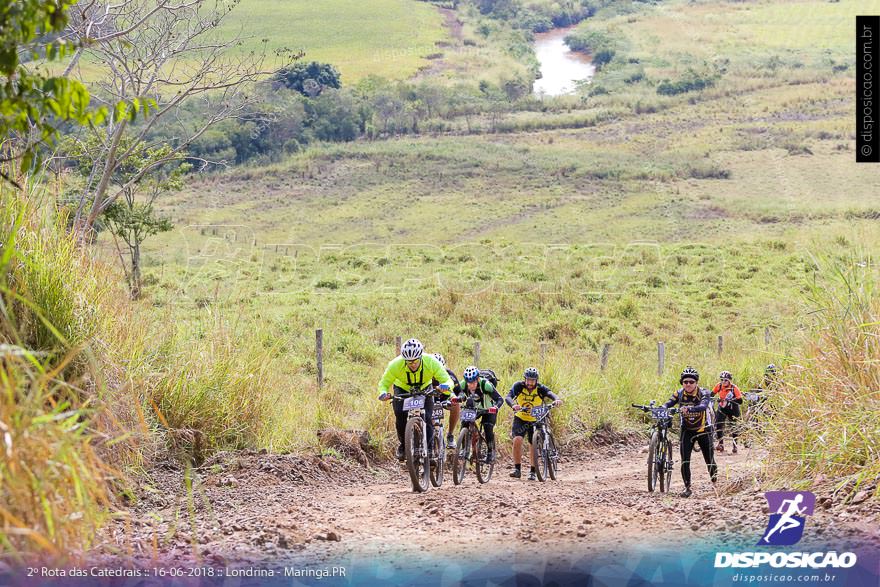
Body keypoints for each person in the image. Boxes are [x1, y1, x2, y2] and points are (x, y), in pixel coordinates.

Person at [377, 338, 454, 461]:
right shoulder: (395, 365)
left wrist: (446, 386)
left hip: (424, 387)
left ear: (421, 357)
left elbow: (447, 380)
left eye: (415, 361)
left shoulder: (431, 361)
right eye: (409, 362)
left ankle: (429, 449)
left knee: (428, 417)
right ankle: (403, 445)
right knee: (400, 416)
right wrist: (383, 393)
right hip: (402, 388)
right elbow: (383, 383)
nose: (412, 364)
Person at [663, 366, 717, 498]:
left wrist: (689, 409)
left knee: (709, 459)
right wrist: (663, 408)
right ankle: (687, 487)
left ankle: (715, 484)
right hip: (687, 430)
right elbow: (669, 402)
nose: (688, 384)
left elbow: (703, 406)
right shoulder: (679, 393)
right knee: (685, 460)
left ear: (696, 383)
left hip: (704, 429)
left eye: (691, 382)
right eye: (685, 382)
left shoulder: (704, 392)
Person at [505, 367, 562, 481]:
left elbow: (551, 394)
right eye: (528, 380)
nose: (530, 383)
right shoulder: (518, 386)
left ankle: (532, 471)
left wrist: (556, 399)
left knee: (533, 444)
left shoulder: (540, 388)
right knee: (517, 440)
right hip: (521, 417)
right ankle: (517, 469)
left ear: (536, 380)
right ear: (524, 379)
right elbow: (508, 397)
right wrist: (513, 405)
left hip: (537, 418)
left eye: (533, 380)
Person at [456, 365, 503, 463]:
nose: (471, 385)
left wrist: (495, 407)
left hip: (488, 409)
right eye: (469, 382)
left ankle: (491, 452)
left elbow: (500, 399)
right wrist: (460, 397)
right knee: (464, 422)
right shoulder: (463, 384)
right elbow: (458, 393)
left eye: (473, 382)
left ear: (478, 379)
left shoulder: (486, 385)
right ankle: (464, 449)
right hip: (474, 409)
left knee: (487, 427)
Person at [430, 353, 461, 449]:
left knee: (456, 404)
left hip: (444, 398)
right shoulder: (425, 374)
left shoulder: (449, 374)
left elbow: (459, 392)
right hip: (429, 399)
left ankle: (450, 435)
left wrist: (459, 398)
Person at [712, 370, 743, 454]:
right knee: (718, 425)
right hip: (722, 408)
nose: (723, 382)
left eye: (725, 380)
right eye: (721, 380)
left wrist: (731, 400)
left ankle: (735, 445)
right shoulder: (719, 386)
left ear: (729, 380)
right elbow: (712, 394)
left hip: (733, 409)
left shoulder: (734, 388)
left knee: (733, 426)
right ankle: (721, 444)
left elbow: (740, 401)